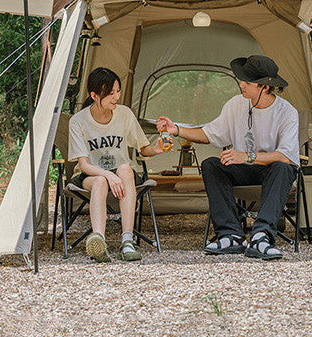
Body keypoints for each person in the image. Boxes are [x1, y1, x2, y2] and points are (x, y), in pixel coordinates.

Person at [157, 54, 299, 260]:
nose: (241, 84)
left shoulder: (287, 112)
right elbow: (208, 134)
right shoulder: (235, 104)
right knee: (212, 165)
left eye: (247, 82)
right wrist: (176, 129)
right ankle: (231, 234)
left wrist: (247, 156)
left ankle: (261, 237)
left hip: (271, 172)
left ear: (265, 87)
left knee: (283, 167)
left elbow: (286, 156)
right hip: (243, 170)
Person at [68, 66, 171, 263]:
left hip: (122, 175)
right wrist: (108, 175)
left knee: (124, 167)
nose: (116, 97)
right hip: (90, 175)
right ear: (94, 95)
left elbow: (143, 148)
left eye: (118, 91)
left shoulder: (124, 114)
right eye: (110, 93)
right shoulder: (78, 121)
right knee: (99, 181)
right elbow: (84, 165)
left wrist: (156, 148)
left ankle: (127, 241)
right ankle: (99, 242)